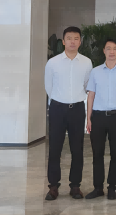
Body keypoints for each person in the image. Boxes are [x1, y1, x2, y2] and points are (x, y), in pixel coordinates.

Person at [44, 26, 93, 200]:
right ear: (63, 41)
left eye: (76, 38)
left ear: (80, 41)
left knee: (77, 149)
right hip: (57, 108)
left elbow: (87, 85)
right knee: (55, 148)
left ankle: (75, 186)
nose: (73, 41)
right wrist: (59, 100)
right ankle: (53, 186)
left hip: (77, 109)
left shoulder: (86, 62)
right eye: (69, 38)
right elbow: (48, 87)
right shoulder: (53, 63)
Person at [85, 39, 116, 200]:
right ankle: (98, 188)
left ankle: (112, 187)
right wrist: (88, 118)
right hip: (98, 117)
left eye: (114, 49)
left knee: (115, 153)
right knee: (97, 153)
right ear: (104, 51)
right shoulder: (95, 72)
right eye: (108, 48)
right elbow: (91, 95)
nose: (111, 52)